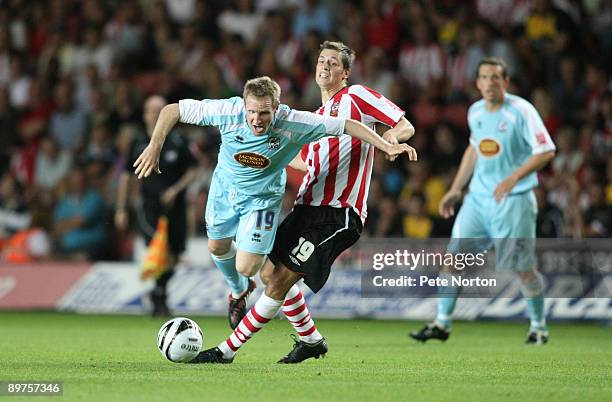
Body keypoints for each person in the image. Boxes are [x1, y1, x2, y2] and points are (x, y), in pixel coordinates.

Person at [190, 41, 416, 364]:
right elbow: (303, 162)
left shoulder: (357, 97)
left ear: (346, 73)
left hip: (339, 213)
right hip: (306, 207)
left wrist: (391, 139)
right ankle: (311, 340)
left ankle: (226, 350)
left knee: (281, 280)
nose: (325, 66)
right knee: (268, 273)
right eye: (321, 61)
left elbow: (403, 124)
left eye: (334, 63)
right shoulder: (314, 120)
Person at [133, 76, 415, 329]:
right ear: (244, 105)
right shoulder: (227, 111)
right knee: (216, 247)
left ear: (277, 108)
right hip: (224, 190)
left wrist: (386, 144)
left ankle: (246, 286)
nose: (256, 119)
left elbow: (349, 125)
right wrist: (155, 145)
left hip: (262, 198)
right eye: (252, 112)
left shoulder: (295, 122)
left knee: (247, 266)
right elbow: (172, 110)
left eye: (264, 113)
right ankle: (238, 291)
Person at [410, 57, 556, 345]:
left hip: (513, 201)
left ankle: (539, 327)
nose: (490, 82)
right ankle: (442, 323)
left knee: (522, 268)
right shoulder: (475, 111)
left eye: (496, 77)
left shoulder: (522, 111)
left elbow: (546, 151)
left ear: (506, 82)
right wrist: (455, 188)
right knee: (453, 260)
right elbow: (474, 148)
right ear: (477, 83)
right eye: (485, 77)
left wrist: (513, 178)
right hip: (477, 200)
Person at [115, 95, 198, 316]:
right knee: (161, 250)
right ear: (144, 115)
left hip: (176, 206)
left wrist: (176, 189)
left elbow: (193, 169)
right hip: (149, 206)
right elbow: (126, 176)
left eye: (159, 110)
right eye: (150, 110)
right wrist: (121, 208)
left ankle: (159, 292)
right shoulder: (137, 141)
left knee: (175, 255)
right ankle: (160, 295)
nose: (154, 115)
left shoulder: (179, 140)